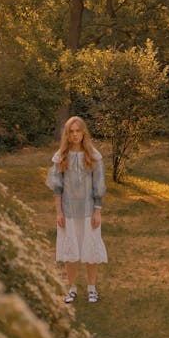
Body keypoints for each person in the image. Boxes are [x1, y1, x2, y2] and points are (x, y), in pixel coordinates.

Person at [46, 115, 107, 303]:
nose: (74, 135)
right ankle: (71, 288)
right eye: (71, 131)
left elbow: (99, 185)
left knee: (90, 249)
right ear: (67, 134)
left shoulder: (93, 156)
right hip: (68, 211)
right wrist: (59, 212)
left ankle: (91, 288)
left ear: (83, 133)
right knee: (70, 250)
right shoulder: (61, 156)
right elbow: (57, 187)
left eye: (77, 131)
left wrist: (97, 211)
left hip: (88, 211)